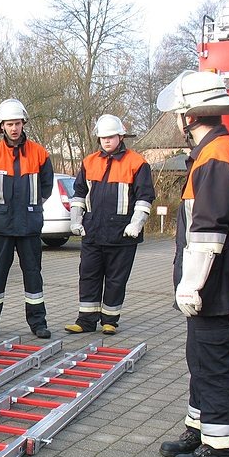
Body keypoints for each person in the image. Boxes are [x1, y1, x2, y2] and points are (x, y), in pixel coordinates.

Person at [156, 71, 229, 457]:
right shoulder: (216, 152)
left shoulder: (215, 159)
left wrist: (191, 285)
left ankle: (223, 447)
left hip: (215, 284)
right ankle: (201, 427)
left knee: (213, 362)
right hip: (216, 281)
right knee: (201, 358)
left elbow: (208, 233)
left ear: (189, 117)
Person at [0, 99, 54, 340]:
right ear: (2, 126)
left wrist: (33, 206)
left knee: (33, 275)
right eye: (9, 124)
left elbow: (46, 186)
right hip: (2, 226)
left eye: (17, 123)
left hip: (29, 226)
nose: (14, 128)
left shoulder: (39, 153)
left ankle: (38, 323)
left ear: (23, 123)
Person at [64, 114, 155, 336]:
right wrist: (76, 220)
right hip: (93, 231)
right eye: (103, 137)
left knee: (116, 279)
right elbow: (79, 194)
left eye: (111, 137)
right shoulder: (89, 162)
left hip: (122, 234)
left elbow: (145, 197)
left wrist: (137, 224)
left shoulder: (137, 163)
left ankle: (110, 321)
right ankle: (85, 321)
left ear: (120, 136)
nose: (106, 141)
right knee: (88, 276)